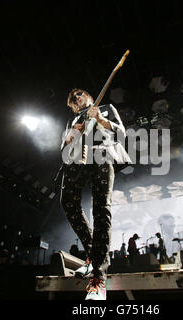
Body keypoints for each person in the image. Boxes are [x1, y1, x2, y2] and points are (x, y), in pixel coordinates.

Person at [59, 88, 131, 300]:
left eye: (79, 94)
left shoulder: (106, 108)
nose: (77, 98)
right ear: (72, 105)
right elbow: (62, 150)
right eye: (73, 98)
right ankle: (93, 255)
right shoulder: (71, 121)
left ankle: (98, 279)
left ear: (89, 96)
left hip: (101, 154)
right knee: (67, 202)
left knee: (101, 208)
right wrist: (69, 138)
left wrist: (100, 118)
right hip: (76, 162)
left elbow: (121, 133)